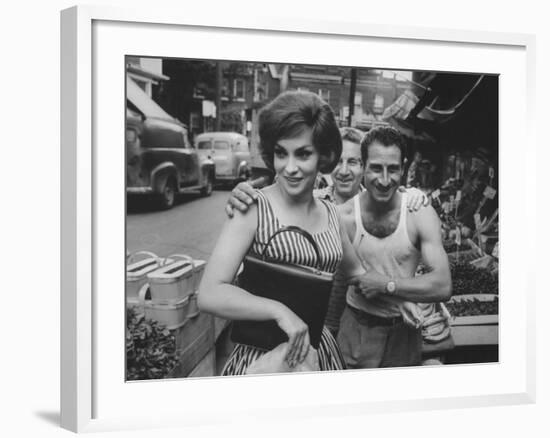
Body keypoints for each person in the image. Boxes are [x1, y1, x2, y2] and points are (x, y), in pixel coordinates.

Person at [198, 91, 372, 375]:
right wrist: (280, 311)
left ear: (323, 156)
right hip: (261, 360)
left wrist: (399, 294)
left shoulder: (331, 215)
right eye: (281, 153)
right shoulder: (252, 207)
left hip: (317, 355)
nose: (289, 168)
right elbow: (209, 293)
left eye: (303, 154)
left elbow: (356, 273)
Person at [335, 126, 452, 368]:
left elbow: (442, 285)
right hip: (356, 329)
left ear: (404, 168)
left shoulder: (419, 213)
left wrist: (387, 285)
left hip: (404, 333)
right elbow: (353, 277)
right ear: (363, 166)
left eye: (393, 169)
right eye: (376, 168)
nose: (385, 180)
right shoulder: (344, 217)